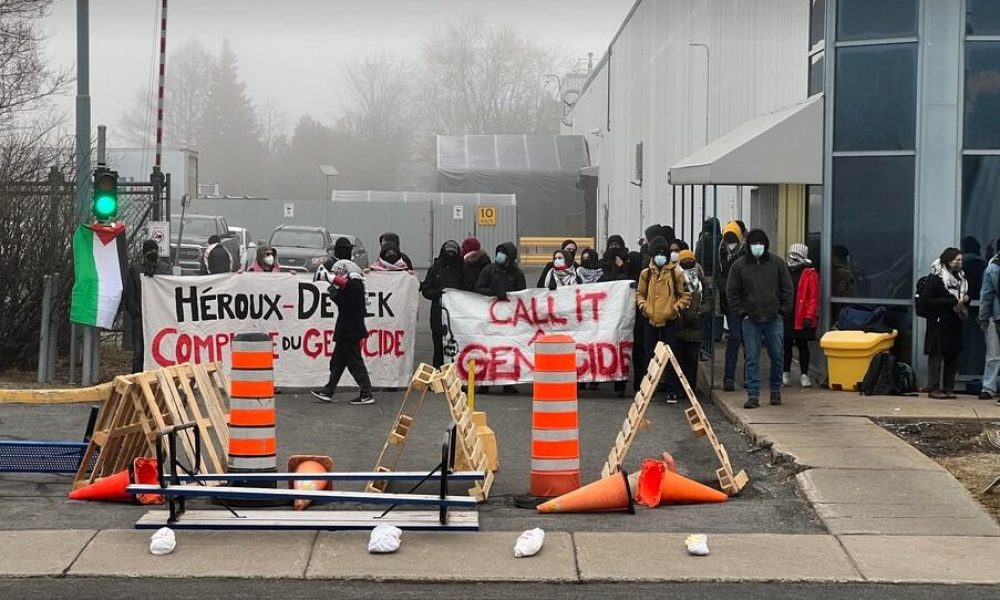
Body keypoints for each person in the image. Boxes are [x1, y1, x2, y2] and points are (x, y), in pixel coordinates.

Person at [726, 229, 793, 409]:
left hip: (774, 318)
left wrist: (783, 311)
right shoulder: (739, 266)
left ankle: (775, 390)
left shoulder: (777, 264)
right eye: (754, 244)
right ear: (748, 246)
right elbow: (732, 291)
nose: (757, 247)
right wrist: (741, 312)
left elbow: (787, 288)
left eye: (761, 244)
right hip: (751, 320)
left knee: (777, 355)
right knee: (752, 358)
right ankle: (753, 394)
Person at [311, 237, 374, 405]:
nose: (337, 276)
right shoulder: (354, 283)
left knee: (354, 363)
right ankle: (328, 391)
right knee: (338, 362)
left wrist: (335, 294)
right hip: (348, 329)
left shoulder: (354, 286)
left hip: (349, 330)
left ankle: (366, 393)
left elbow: (347, 306)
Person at [637, 236, 692, 401]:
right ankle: (649, 389)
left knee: (671, 356)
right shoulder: (646, 274)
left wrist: (675, 309)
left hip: (670, 320)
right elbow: (640, 294)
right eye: (658, 254)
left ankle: (672, 389)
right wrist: (644, 307)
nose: (661, 257)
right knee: (650, 356)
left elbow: (686, 295)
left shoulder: (676, 274)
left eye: (664, 254)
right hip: (650, 319)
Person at [475, 242, 527, 394]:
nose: (500, 255)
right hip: (490, 318)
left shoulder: (517, 274)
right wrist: (492, 292)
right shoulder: (489, 270)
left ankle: (508, 382)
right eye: (499, 252)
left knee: (507, 350)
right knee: (488, 350)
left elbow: (522, 295)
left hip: (509, 319)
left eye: (504, 253)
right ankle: (485, 382)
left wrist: (509, 294)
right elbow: (478, 288)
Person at [922, 248, 970, 400]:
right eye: (957, 260)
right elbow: (927, 301)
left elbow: (963, 296)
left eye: (961, 260)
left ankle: (949, 387)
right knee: (937, 355)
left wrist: (965, 301)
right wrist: (951, 301)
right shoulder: (936, 278)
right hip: (938, 322)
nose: (959, 263)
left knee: (952, 356)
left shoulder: (961, 278)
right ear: (948, 260)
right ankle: (934, 387)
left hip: (954, 322)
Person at [123, 240, 172, 373]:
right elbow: (129, 294)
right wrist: (136, 313)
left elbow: (170, 291)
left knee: (159, 351)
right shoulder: (135, 269)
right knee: (139, 353)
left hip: (159, 319)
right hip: (141, 318)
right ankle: (137, 382)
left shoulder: (165, 269)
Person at [782, 243, 819, 388]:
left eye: (795, 256)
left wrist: (809, 316)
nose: (791, 259)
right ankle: (785, 373)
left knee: (803, 346)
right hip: (787, 315)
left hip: (803, 317)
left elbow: (813, 297)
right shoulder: (784, 272)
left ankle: (804, 374)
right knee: (786, 346)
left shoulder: (810, 274)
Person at [421, 240, 464, 368]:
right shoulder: (435, 269)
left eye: (453, 252)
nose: (450, 255)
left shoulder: (462, 268)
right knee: (438, 349)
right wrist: (439, 293)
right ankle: (437, 379)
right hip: (438, 314)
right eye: (448, 252)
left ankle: (457, 378)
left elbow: (468, 290)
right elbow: (426, 290)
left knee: (457, 349)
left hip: (458, 316)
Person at [675, 249, 710, 399]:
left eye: (690, 260)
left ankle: (691, 387)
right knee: (679, 359)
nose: (688, 263)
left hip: (696, 324)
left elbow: (709, 300)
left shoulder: (702, 281)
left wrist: (699, 313)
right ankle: (679, 388)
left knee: (692, 359)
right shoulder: (676, 279)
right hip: (680, 324)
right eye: (685, 260)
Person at [716, 221, 744, 392]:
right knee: (734, 338)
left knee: (747, 341)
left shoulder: (745, 253)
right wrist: (726, 288)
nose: (730, 242)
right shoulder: (720, 253)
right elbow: (718, 274)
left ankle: (749, 377)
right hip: (729, 300)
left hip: (744, 300)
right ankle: (728, 377)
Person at [978, 242, 1000, 402]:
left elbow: (986, 295)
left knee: (993, 354)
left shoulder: (992, 267)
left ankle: (989, 388)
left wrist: (983, 317)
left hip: (995, 316)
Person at [627, 250, 647, 393]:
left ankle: (638, 383)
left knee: (639, 354)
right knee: (640, 355)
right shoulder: (641, 278)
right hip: (639, 322)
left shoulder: (642, 279)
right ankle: (639, 383)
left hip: (638, 321)